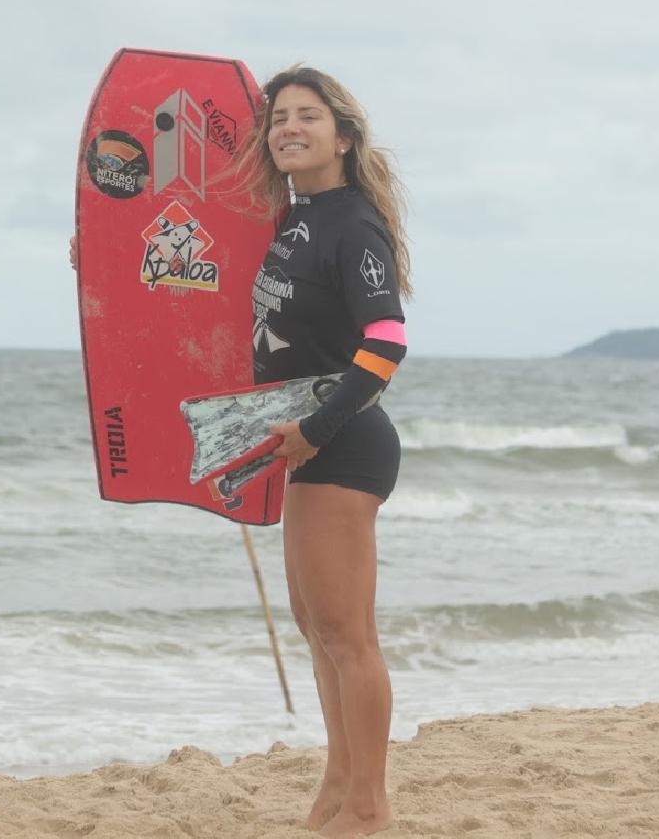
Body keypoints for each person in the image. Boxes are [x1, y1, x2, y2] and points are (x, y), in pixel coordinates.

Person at [238, 66, 411, 837]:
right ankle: (338, 785)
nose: (288, 128)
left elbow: (386, 343)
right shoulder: (292, 220)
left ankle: (369, 808)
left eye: (307, 116)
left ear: (342, 136)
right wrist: (98, 253)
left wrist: (315, 429)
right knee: (318, 630)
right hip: (308, 445)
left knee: (350, 636)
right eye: (278, 118)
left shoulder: (353, 225)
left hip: (341, 441)